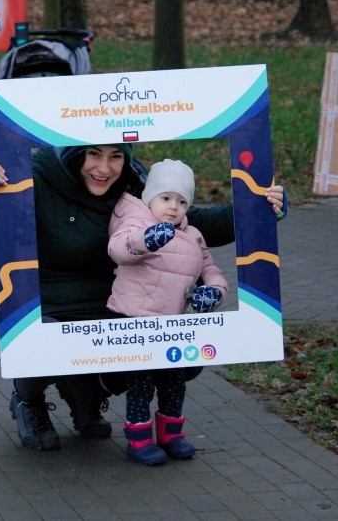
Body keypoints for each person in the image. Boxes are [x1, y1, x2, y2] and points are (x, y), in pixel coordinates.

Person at [0, 144, 286, 451]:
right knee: (36, 343)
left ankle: (86, 391)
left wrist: (258, 208)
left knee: (178, 354)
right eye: (93, 154)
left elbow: (193, 222)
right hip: (33, 306)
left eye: (115, 156)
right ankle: (29, 400)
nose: (105, 169)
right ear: (74, 154)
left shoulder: (133, 190)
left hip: (108, 313)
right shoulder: (29, 182)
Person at [106, 159, 228, 465]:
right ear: (150, 198)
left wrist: (213, 292)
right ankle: (139, 439)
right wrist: (144, 242)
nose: (173, 207)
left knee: (174, 381)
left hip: (171, 326)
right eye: (165, 198)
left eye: (182, 200)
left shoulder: (194, 236)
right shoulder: (135, 221)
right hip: (135, 320)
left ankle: (172, 435)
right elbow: (118, 248)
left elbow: (211, 271)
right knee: (141, 383)